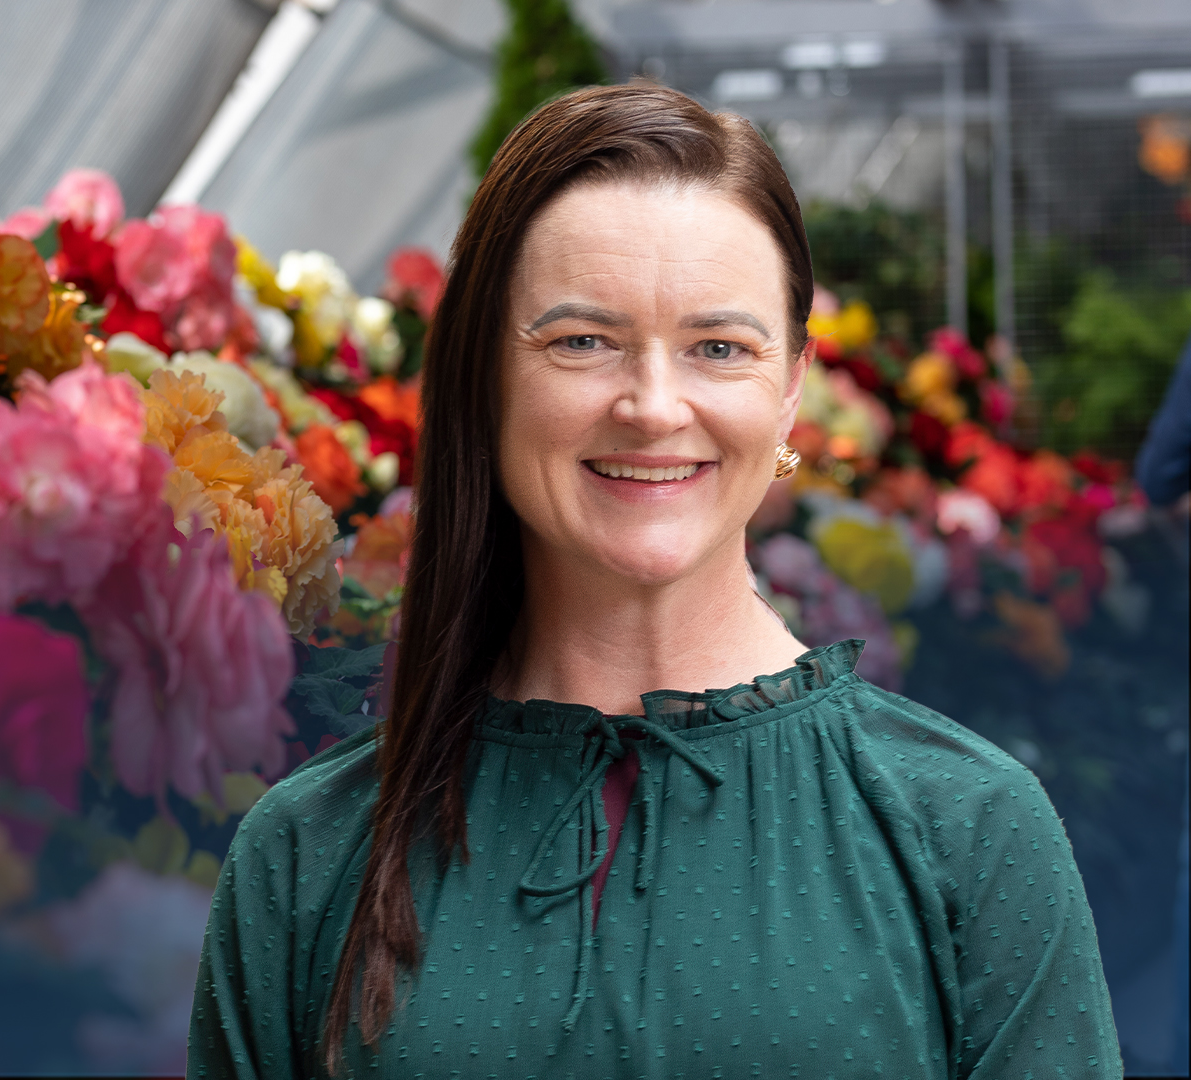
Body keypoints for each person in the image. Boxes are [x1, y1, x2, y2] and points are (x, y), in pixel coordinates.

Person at [187, 84, 1118, 1078]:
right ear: (483, 371)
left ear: (792, 385)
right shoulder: (309, 852)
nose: (654, 406)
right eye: (583, 341)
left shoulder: (968, 830)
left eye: (719, 348)